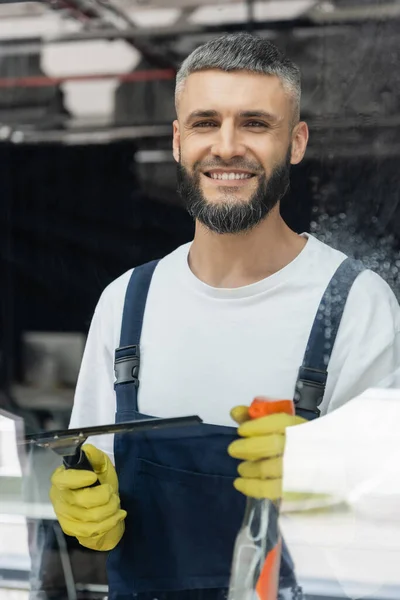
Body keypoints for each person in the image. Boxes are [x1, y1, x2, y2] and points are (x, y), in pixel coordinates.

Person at [49, 33, 400, 600]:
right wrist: (82, 505)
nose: (228, 146)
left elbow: (390, 524)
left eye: (256, 123)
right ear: (178, 140)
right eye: (206, 122)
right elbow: (96, 473)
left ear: (296, 142)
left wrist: (330, 478)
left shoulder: (355, 305)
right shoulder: (126, 302)